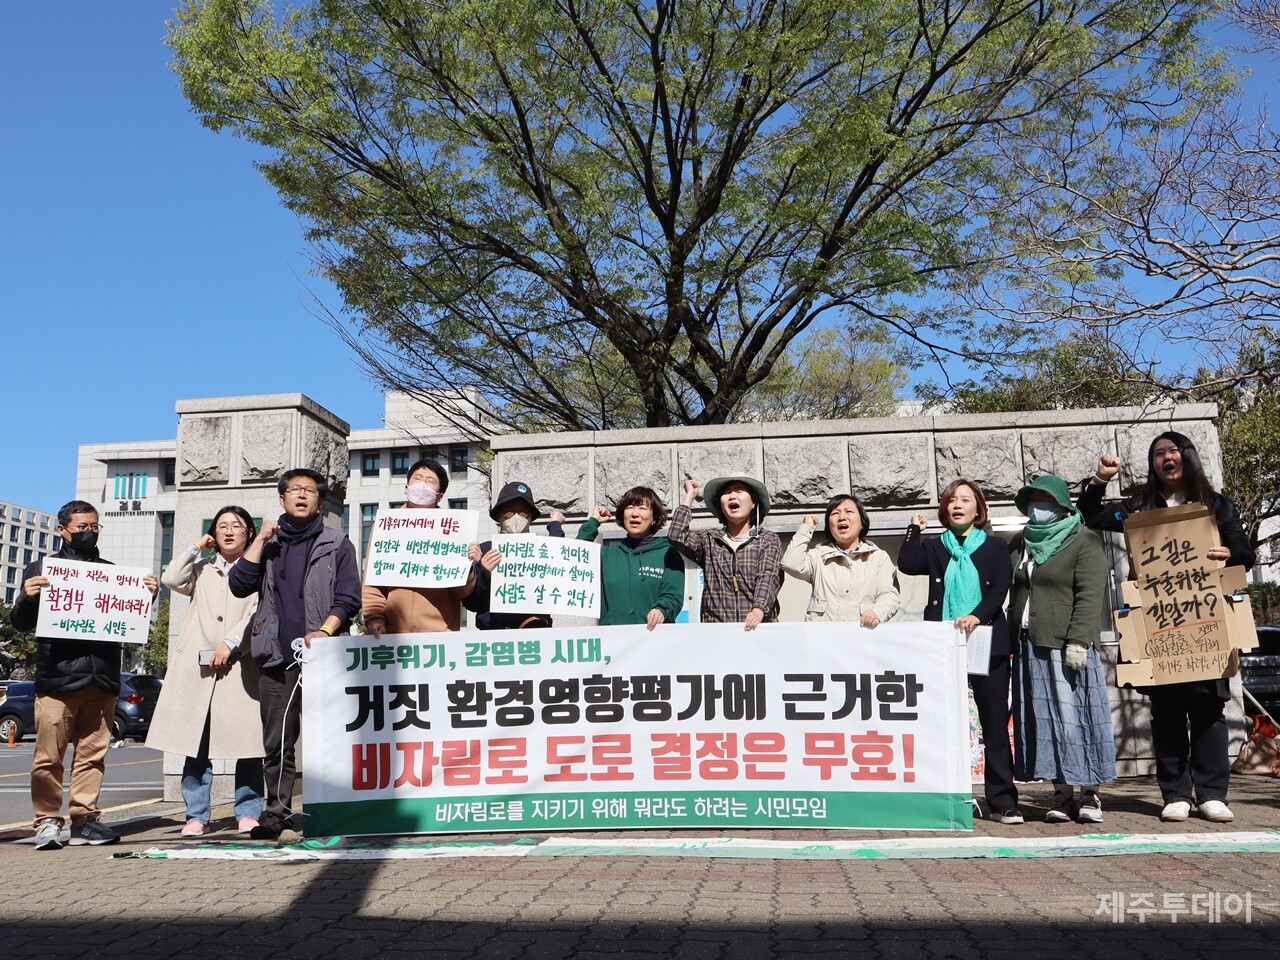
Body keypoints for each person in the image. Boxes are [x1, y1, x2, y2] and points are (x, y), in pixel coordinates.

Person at [1079, 431, 1255, 824]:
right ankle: (1175, 793)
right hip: (1158, 626)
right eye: (1158, 453)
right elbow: (1091, 516)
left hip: (1206, 622)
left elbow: (1244, 550)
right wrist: (1100, 480)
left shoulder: (1216, 505)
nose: (1166, 458)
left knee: (1209, 709)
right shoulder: (1139, 506)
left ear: (1187, 457)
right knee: (1167, 710)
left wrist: (1228, 553)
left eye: (1173, 450)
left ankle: (1212, 794)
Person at [12, 499, 160, 851]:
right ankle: (47, 821)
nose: (89, 532)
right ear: (62, 530)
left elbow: (127, 620)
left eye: (94, 527)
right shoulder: (42, 570)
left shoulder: (111, 573)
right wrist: (27, 598)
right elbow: (21, 623)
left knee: (92, 756)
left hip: (103, 680)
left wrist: (146, 598)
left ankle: (84, 820)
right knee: (48, 757)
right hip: (58, 680)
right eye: (81, 527)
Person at [229, 468, 361, 841]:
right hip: (274, 654)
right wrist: (259, 540)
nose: (301, 495)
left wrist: (326, 631)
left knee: (335, 737)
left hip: (325, 658)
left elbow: (349, 598)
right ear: (282, 498)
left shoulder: (338, 543)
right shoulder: (268, 544)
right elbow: (239, 585)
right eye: (294, 489)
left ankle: (338, 809)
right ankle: (277, 813)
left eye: (309, 490)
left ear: (320, 500)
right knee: (278, 741)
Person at [897, 479, 1019, 824]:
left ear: (979, 509)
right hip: (942, 642)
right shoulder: (937, 548)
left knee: (994, 724)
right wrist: (912, 530)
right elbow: (907, 563)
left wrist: (977, 616)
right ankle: (949, 797)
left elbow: (1000, 590)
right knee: (942, 723)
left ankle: (1003, 801)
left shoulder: (995, 546)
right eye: (951, 500)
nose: (957, 505)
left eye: (965, 500)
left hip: (986, 641)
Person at [147, 506, 265, 837]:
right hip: (199, 670)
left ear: (249, 534)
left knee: (249, 745)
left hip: (240, 665)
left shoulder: (260, 571)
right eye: (222, 526)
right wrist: (197, 545)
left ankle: (248, 811)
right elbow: (171, 579)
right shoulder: (201, 569)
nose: (228, 531)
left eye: (236, 526)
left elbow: (256, 613)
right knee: (195, 746)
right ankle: (196, 815)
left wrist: (231, 643)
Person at [1008, 475, 1115, 824]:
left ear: (1061, 504)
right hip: (1030, 644)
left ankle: (1091, 794)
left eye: (1046, 499)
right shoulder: (1019, 542)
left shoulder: (1083, 539)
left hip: (1068, 645)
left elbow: (1089, 594)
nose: (1039, 507)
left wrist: (1079, 640)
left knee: (1078, 718)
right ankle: (1062, 793)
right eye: (1034, 500)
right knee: (1048, 723)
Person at [363, 459, 478, 636]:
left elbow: (462, 592)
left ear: (439, 496)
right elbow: (372, 580)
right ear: (406, 486)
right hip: (391, 634)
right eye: (417, 478)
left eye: (430, 481)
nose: (422, 484)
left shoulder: (454, 530)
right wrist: (374, 617)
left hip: (439, 635)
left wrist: (468, 567)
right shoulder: (385, 526)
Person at [667, 475, 783, 629]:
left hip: (758, 630)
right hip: (717, 632)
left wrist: (758, 610)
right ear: (720, 505)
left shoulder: (768, 540)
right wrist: (689, 497)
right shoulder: (709, 540)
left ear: (753, 502)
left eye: (739, 491)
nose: (732, 496)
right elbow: (676, 535)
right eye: (727, 492)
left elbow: (768, 576)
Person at [781, 494, 899, 626]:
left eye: (849, 511)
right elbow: (790, 564)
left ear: (862, 523)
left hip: (862, 637)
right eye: (835, 513)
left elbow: (890, 595)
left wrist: (877, 612)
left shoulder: (878, 558)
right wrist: (806, 529)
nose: (842, 517)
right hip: (823, 639)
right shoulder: (818, 556)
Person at [575, 487, 685, 628]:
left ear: (654, 518)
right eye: (630, 507)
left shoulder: (667, 554)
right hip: (613, 642)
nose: (634, 514)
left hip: (655, 640)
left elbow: (673, 596)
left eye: (642, 508)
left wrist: (662, 610)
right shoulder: (606, 556)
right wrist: (593, 522)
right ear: (622, 516)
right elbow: (575, 555)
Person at [466, 480, 565, 629]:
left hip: (535, 630)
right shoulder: (485, 550)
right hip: (494, 633)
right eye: (509, 513)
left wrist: (555, 525)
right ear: (499, 517)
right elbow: (472, 604)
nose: (516, 517)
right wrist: (484, 575)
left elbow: (558, 554)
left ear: (530, 518)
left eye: (523, 513)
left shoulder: (539, 549)